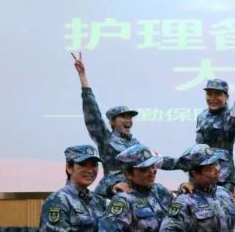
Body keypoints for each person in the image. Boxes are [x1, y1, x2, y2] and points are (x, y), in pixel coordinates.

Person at [72, 52, 178, 197]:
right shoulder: (106, 139)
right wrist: (83, 77)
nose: (128, 120)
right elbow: (93, 113)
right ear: (112, 121)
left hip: (137, 192)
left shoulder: (136, 144)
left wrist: (190, 163)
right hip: (111, 192)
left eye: (130, 117)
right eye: (123, 117)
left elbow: (160, 161)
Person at [195, 47, 235, 192]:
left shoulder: (232, 115)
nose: (213, 98)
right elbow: (197, 148)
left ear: (226, 97)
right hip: (202, 176)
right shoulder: (201, 116)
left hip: (223, 176)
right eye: (209, 94)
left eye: (218, 94)